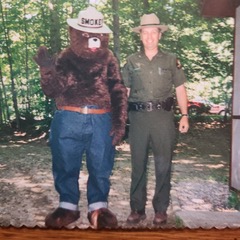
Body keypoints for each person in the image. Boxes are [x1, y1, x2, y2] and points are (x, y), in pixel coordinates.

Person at [34, 6, 127, 229]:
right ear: (76, 33)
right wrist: (47, 70)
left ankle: (98, 208)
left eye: (97, 35)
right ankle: (68, 206)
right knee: (65, 163)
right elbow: (53, 90)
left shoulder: (108, 58)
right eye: (86, 34)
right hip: (68, 119)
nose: (93, 40)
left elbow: (117, 89)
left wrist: (119, 121)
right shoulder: (66, 57)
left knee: (101, 165)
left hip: (100, 118)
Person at [122, 13, 189, 225]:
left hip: (163, 117)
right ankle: (137, 208)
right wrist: (119, 117)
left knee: (163, 164)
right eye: (145, 33)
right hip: (138, 118)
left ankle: (161, 209)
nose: (149, 37)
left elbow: (180, 88)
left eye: (153, 32)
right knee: (137, 164)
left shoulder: (171, 59)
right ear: (140, 35)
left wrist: (185, 115)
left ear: (160, 34)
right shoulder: (131, 61)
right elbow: (124, 90)